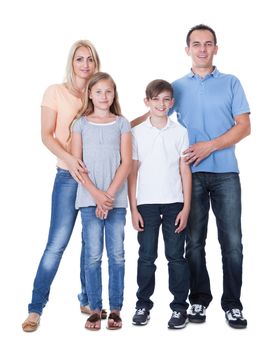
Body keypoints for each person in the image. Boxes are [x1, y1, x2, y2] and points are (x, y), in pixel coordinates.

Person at [131, 24, 251, 329]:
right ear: (188, 50)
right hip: (190, 176)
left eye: (208, 44)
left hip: (225, 173)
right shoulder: (177, 87)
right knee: (194, 242)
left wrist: (210, 145)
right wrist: (117, 124)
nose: (202, 49)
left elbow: (244, 126)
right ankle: (198, 300)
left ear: (215, 48)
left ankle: (233, 304)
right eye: (196, 44)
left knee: (232, 242)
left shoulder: (231, 83)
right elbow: (154, 116)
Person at [22, 40, 107, 332]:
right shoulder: (55, 92)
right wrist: (70, 160)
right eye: (80, 59)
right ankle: (35, 308)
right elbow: (46, 135)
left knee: (91, 244)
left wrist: (150, 115)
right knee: (56, 244)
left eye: (90, 60)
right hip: (68, 177)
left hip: (95, 180)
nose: (85, 65)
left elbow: (117, 126)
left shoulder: (100, 93)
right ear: (72, 63)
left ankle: (87, 299)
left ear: (96, 64)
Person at [71, 72, 132, 330]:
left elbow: (126, 162)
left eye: (108, 92)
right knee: (93, 256)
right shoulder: (80, 124)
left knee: (116, 255)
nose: (104, 96)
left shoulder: (122, 123)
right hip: (88, 200)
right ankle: (95, 309)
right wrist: (97, 195)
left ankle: (116, 309)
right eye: (98, 92)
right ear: (90, 94)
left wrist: (108, 197)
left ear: (114, 94)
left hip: (115, 203)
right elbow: (77, 165)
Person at [128, 79, 192, 329]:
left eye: (166, 99)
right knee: (146, 256)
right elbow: (133, 171)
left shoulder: (180, 132)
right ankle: (143, 305)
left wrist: (186, 207)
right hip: (146, 204)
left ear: (172, 103)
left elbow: (185, 170)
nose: (161, 104)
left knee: (176, 256)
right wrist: (133, 208)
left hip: (175, 202)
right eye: (156, 99)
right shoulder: (137, 132)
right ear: (147, 102)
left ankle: (179, 308)